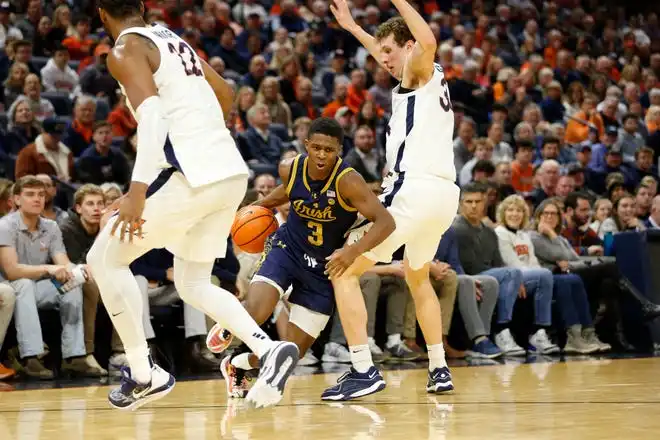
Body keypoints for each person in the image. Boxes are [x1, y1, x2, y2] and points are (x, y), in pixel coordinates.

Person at [87, 0, 300, 411]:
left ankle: (143, 373)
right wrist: (205, 136)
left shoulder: (125, 49)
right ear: (144, 6)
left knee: (103, 258)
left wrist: (137, 190)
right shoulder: (170, 38)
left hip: (191, 174)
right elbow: (226, 91)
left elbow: (152, 120)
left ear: (100, 14)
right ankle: (268, 349)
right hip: (228, 172)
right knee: (193, 283)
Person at [325, 0, 460, 399]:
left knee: (344, 270)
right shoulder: (421, 78)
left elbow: (428, 39)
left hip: (413, 190)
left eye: (389, 51)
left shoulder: (420, 67)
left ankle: (363, 369)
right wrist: (351, 26)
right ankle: (439, 368)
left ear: (408, 48)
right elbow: (387, 46)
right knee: (417, 276)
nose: (381, 59)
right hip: (442, 197)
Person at [206, 117, 395, 399]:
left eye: (328, 150)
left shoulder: (349, 181)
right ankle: (228, 325)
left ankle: (236, 365)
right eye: (316, 147)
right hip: (288, 248)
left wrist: (351, 251)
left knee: (291, 353)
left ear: (338, 150)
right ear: (306, 145)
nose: (321, 155)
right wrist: (258, 207)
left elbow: (385, 222)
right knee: (258, 308)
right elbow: (288, 190)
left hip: (323, 267)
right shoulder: (290, 167)